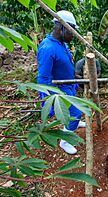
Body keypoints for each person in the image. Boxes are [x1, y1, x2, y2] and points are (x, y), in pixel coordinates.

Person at [37, 10, 85, 155]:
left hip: (69, 87)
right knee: (75, 112)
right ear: (60, 27)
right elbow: (43, 78)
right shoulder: (47, 48)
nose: (72, 35)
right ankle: (65, 140)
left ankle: (73, 124)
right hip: (60, 90)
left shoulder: (61, 43)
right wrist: (48, 100)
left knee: (76, 111)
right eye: (71, 31)